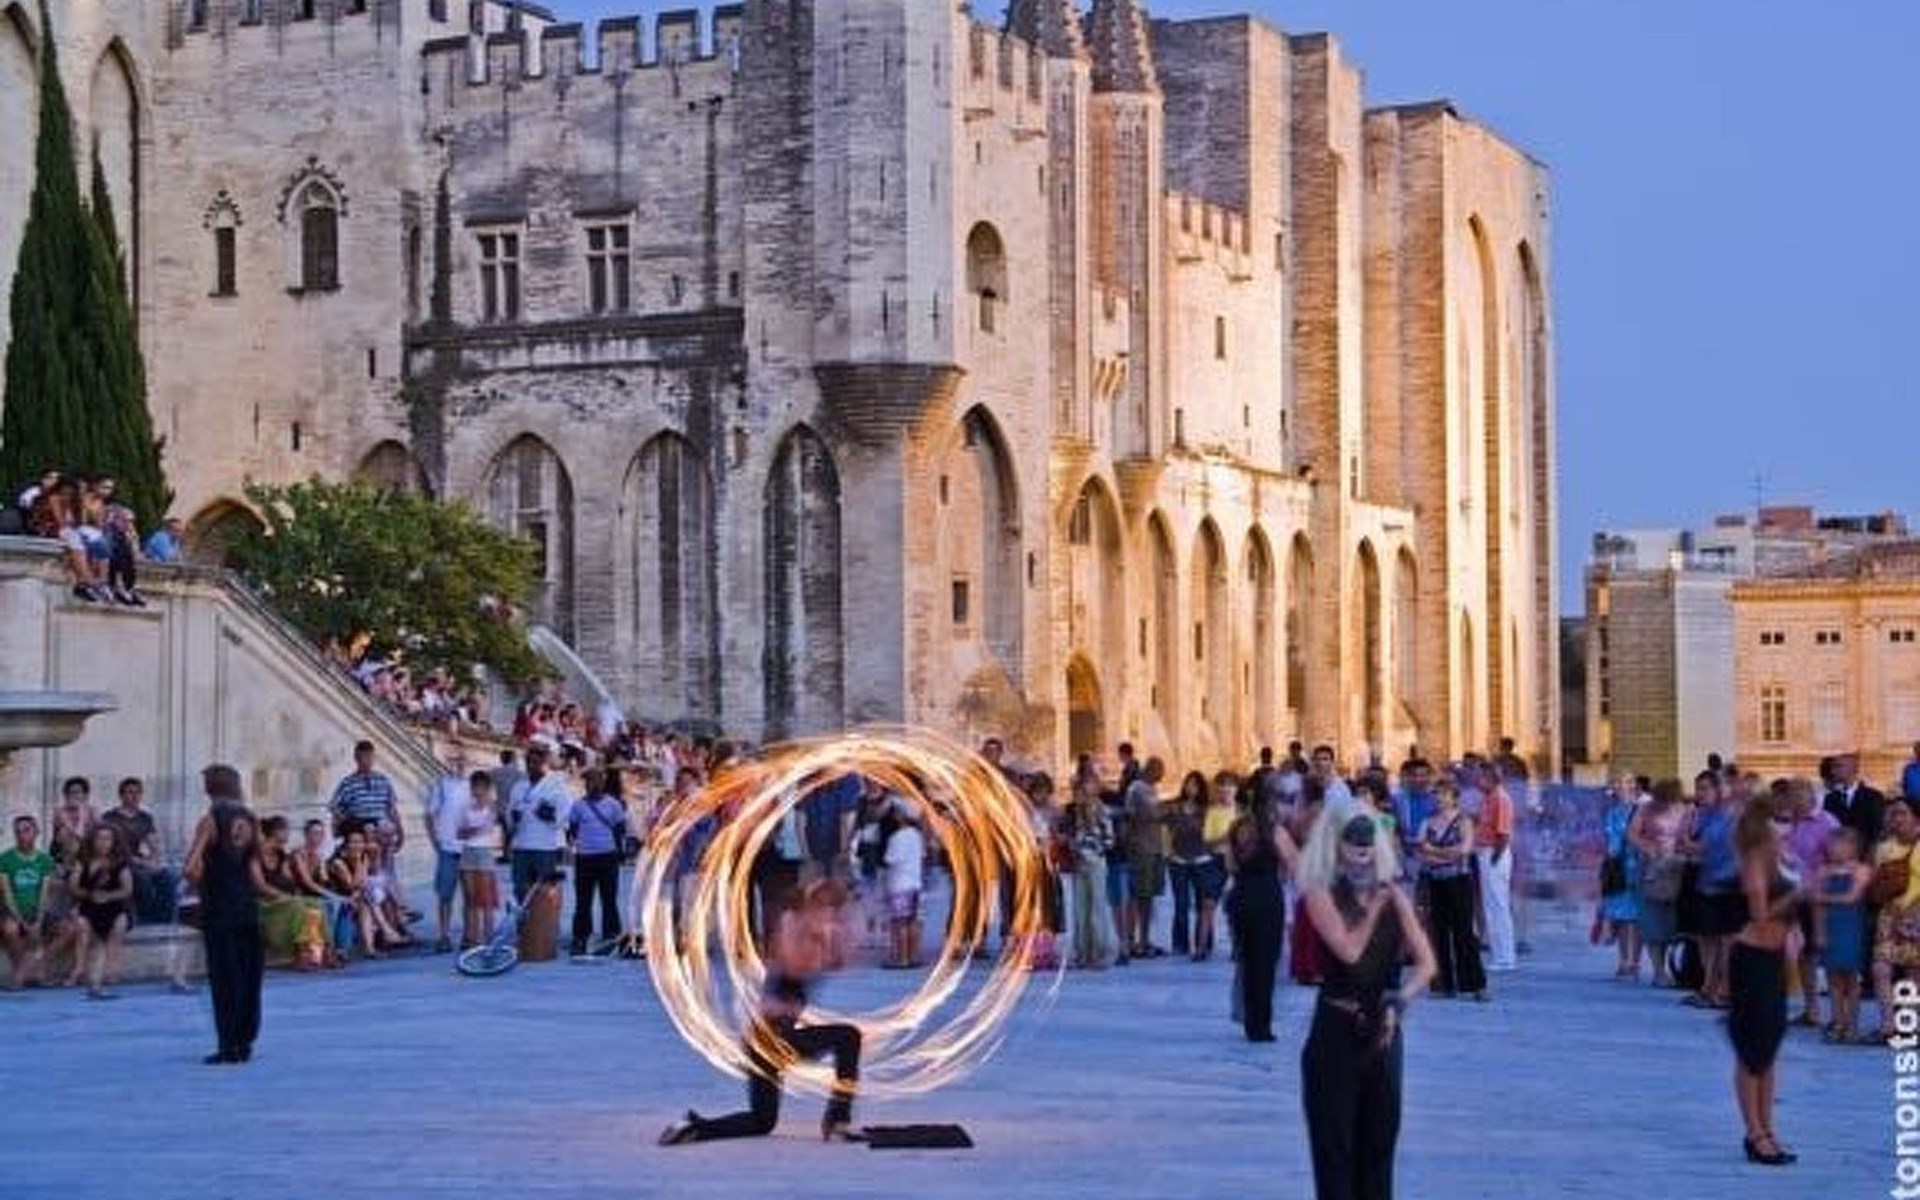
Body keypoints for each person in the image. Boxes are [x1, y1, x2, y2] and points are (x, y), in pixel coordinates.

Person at [1299, 802, 1436, 1200]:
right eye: (1352, 836)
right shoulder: (1320, 893)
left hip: (1382, 1035)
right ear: (1335, 842)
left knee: (1378, 1150)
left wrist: (1399, 1001)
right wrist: (1375, 908)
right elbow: (1349, 951)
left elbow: (1426, 964)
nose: (1362, 845)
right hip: (1335, 1035)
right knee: (1335, 1151)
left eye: (1368, 836)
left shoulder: (1395, 896)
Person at [660, 880, 865, 1145]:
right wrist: (818, 936)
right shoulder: (794, 924)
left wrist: (839, 934)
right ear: (813, 906)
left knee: (762, 1121)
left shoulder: (811, 934)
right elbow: (793, 964)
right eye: (828, 909)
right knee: (848, 1037)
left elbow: (836, 962)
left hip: (767, 1044)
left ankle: (694, 1127)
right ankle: (837, 1122)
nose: (831, 917)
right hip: (772, 1040)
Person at [1725, 793, 1798, 1166]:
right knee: (1751, 1052)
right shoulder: (1755, 858)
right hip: (1752, 959)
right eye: (1780, 820)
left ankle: (1768, 1129)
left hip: (1773, 958)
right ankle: (1754, 1132)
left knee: (1768, 1051)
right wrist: (1799, 893)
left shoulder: (1778, 858)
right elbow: (1760, 914)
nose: (1786, 826)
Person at [182, 765, 264, 1065]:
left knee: (225, 978)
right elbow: (257, 875)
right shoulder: (251, 820)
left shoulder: (211, 820)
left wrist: (203, 883)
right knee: (248, 976)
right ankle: (245, 1041)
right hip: (248, 908)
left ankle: (228, 1045)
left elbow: (191, 867)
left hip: (220, 909)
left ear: (210, 788)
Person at [1225, 807, 1299, 1042]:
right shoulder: (1274, 832)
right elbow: (1292, 866)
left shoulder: (1237, 829)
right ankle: (1262, 1026)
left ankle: (1250, 1022)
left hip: (1241, 897)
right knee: (1266, 964)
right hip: (1267, 897)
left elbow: (1230, 866)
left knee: (1247, 962)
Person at [1417, 779, 1485, 1001]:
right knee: (1438, 932)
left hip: (1459, 880)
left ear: (1454, 797)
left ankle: (1474, 984)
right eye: (1436, 794)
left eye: (1444, 794)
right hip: (1434, 881)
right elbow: (1422, 852)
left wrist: (1435, 852)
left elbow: (1465, 850)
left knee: (1464, 931)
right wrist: (1446, 855)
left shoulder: (1463, 821)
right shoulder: (1427, 821)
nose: (1439, 798)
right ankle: (1443, 984)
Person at [1, 815, 77, 988]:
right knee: (10, 929)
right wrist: (22, 921)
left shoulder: (44, 860)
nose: (22, 835)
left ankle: (38, 964)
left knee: (70, 929)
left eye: (26, 830)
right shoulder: (5, 859)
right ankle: (22, 971)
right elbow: (7, 895)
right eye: (18, 832)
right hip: (12, 911)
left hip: (37, 910)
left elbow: (44, 893)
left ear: (36, 832)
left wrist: (38, 921)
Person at [1631, 779, 1690, 988]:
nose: (1665, 805)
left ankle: (1673, 967)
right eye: (1662, 801)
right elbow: (1632, 834)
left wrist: (1684, 850)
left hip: (1676, 868)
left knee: (1672, 921)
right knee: (1652, 920)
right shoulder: (1645, 808)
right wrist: (1648, 848)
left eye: (1669, 801)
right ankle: (1658, 971)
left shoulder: (1686, 810)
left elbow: (1689, 835)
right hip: (1651, 869)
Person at [1813, 828, 1871, 1042]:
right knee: (1833, 978)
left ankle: (1852, 1025)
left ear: (1852, 847)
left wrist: (1824, 897)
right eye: (1830, 845)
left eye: (1836, 844)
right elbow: (1817, 904)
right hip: (1831, 927)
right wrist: (1819, 932)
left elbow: (1852, 897)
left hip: (1852, 926)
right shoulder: (1823, 870)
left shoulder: (1862, 869)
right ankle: (1838, 1022)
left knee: (1852, 978)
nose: (1832, 849)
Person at [567, 768, 629, 955]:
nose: (593, 785)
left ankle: (611, 935)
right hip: (584, 857)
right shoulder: (577, 805)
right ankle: (580, 937)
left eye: (596, 781)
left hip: (607, 856)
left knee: (609, 898)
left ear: (603, 783)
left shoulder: (614, 804)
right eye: (589, 781)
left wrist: (618, 851)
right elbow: (572, 829)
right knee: (583, 900)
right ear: (585, 784)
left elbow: (620, 828)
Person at [68, 824, 133, 999]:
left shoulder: (120, 863)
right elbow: (73, 887)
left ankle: (109, 973)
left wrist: (108, 896)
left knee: (119, 925)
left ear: (114, 842)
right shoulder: (83, 861)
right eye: (100, 838)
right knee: (84, 927)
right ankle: (82, 972)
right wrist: (90, 894)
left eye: (108, 839)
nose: (104, 843)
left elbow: (127, 890)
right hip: (89, 907)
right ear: (92, 841)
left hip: (114, 908)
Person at [507, 743, 573, 902]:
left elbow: (566, 814)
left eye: (536, 762)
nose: (531, 766)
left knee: (545, 893)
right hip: (521, 846)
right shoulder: (518, 787)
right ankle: (524, 919)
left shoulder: (557, 786)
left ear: (545, 763)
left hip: (546, 847)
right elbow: (509, 813)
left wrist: (551, 816)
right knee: (521, 891)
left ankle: (543, 919)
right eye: (529, 762)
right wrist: (513, 818)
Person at [424, 749, 472, 953]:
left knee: (470, 895)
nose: (459, 763)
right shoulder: (442, 785)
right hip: (448, 847)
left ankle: (469, 935)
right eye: (456, 759)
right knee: (445, 895)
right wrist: (435, 841)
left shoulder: (473, 785)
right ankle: (443, 935)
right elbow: (429, 814)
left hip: (470, 848)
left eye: (462, 759)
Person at [1067, 778, 1116, 969]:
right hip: (1078, 864)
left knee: (1097, 908)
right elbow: (1069, 834)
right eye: (1079, 792)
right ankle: (1082, 952)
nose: (1081, 796)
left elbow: (1110, 840)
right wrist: (1072, 845)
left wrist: (1092, 849)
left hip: (1096, 863)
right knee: (1080, 909)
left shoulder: (1102, 811)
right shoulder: (1074, 812)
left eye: (1085, 792)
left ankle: (1099, 953)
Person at [1474, 762, 1517, 972]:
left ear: (1491, 778)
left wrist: (1495, 858)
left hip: (1494, 853)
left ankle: (1506, 957)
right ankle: (1499, 954)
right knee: (1490, 905)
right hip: (1485, 852)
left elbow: (1503, 833)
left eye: (1481, 777)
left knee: (1498, 905)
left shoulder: (1501, 799)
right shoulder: (1487, 799)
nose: (1478, 781)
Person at [1598, 779, 1643, 980]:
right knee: (1622, 917)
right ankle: (1624, 960)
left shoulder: (1640, 810)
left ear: (1633, 788)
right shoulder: (1612, 812)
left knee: (1637, 918)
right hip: (1618, 869)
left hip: (1636, 868)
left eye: (1624, 785)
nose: (1620, 789)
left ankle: (1635, 962)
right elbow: (1609, 841)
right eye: (1617, 786)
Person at [457, 772, 502, 949]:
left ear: (487, 788)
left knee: (486, 899)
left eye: (480, 787)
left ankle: (488, 937)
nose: (477, 791)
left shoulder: (492, 807)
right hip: (468, 852)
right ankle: (471, 937)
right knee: (470, 898)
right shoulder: (467, 807)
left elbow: (487, 828)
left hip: (483, 852)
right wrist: (470, 831)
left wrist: (471, 831)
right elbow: (459, 832)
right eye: (474, 787)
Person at [330, 741, 402, 849]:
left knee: (388, 828)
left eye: (370, 757)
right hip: (358, 823)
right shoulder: (348, 783)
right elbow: (334, 806)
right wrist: (346, 820)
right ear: (356, 759)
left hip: (380, 824)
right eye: (363, 757)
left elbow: (392, 808)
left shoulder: (383, 780)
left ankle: (384, 855)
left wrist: (400, 831)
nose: (367, 761)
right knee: (369, 829)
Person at [883, 803, 925, 970]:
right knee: (913, 921)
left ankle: (901, 958)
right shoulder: (917, 835)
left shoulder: (896, 838)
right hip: (916, 884)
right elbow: (922, 856)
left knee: (899, 922)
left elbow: (890, 860)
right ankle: (914, 956)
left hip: (899, 885)